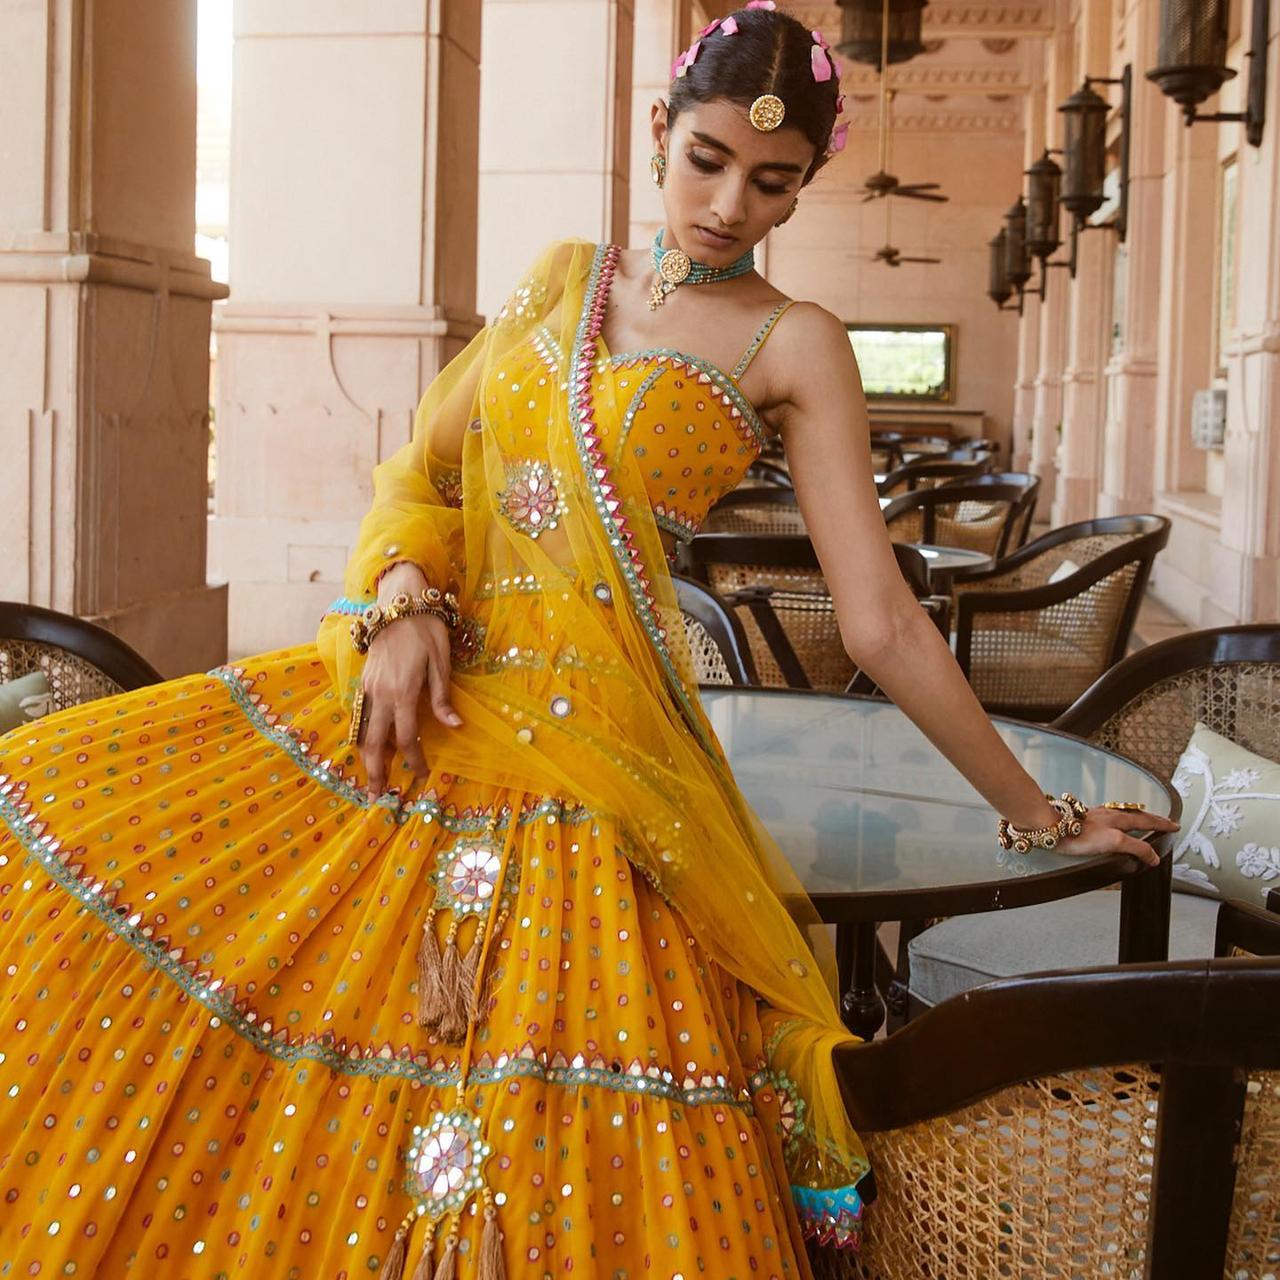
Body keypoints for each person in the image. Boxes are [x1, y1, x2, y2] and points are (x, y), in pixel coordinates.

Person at [0, 5, 1177, 1277]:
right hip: (433, 696)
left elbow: (880, 621)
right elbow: (425, 473)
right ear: (658, 131)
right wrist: (398, 602)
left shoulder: (798, 344)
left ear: (802, 186)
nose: (728, 203)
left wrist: (1039, 807)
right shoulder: (559, 286)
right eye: (706, 159)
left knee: (543, 1106)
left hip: (606, 759)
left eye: (770, 181)